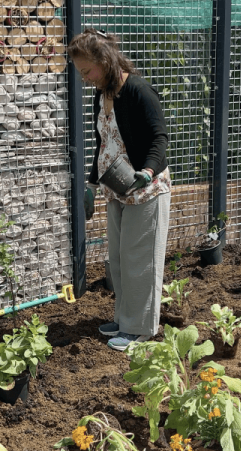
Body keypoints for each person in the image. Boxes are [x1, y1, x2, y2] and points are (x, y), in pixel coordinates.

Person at [68, 28, 172, 351]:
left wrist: (148, 171)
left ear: (104, 60)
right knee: (119, 259)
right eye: (81, 73)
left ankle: (139, 328)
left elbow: (159, 138)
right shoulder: (101, 96)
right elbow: (104, 143)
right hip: (116, 190)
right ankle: (125, 318)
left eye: (87, 71)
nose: (85, 78)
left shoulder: (139, 91)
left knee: (140, 259)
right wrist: (90, 184)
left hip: (146, 190)